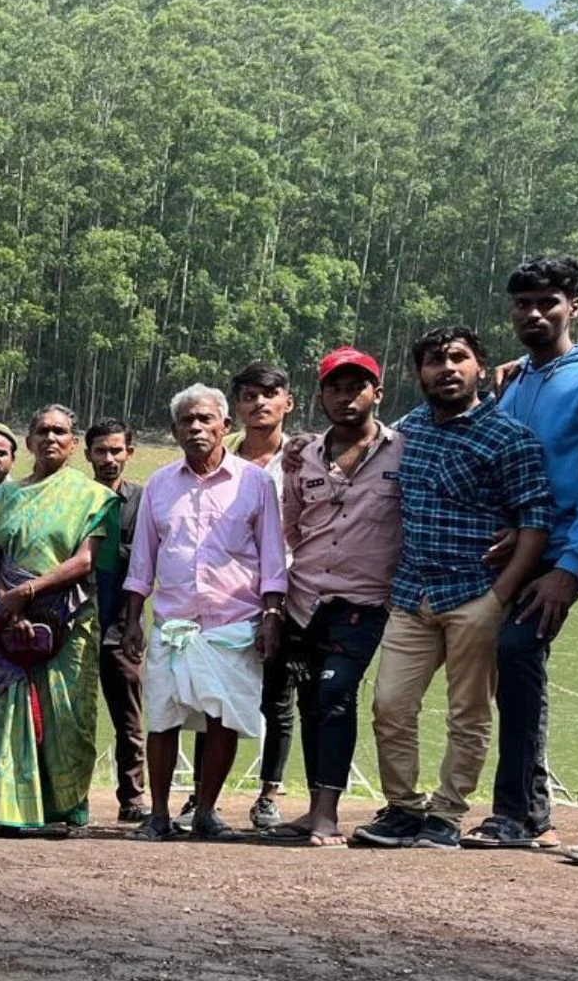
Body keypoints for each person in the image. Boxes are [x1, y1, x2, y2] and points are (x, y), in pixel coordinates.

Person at [353, 327, 553, 849]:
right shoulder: (406, 430)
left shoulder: (509, 438)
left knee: (468, 713)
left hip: (476, 594)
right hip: (412, 593)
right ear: (419, 373)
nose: (446, 369)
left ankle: (446, 814)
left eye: (458, 358)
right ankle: (403, 808)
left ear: (480, 367)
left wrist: (498, 597)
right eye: (434, 361)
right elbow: (359, 464)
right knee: (390, 705)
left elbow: (535, 523)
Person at [473, 257, 578, 850]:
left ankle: (514, 813)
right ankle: (531, 811)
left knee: (517, 650)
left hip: (564, 548)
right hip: (512, 547)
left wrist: (572, 569)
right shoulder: (516, 381)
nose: (534, 313)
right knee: (507, 665)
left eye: (548, 302)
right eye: (523, 303)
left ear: (574, 307)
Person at [122, 384, 287, 843]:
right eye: (186, 421)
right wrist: (133, 619)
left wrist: (272, 616)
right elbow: (143, 560)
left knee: (224, 718)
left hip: (233, 623)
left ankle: (206, 812)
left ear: (225, 426)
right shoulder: (159, 485)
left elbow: (272, 557)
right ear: (174, 431)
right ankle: (158, 814)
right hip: (173, 623)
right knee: (163, 717)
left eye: (205, 419)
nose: (196, 427)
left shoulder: (255, 483)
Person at [257, 348, 404, 847]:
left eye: (356, 387)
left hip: (364, 601)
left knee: (336, 694)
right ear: (320, 397)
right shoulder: (301, 457)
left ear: (377, 392)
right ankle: (313, 807)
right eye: (335, 388)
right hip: (305, 598)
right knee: (310, 701)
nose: (346, 397)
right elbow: (291, 528)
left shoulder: (404, 452)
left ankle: (327, 814)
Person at [0, 406, 118, 832]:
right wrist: (7, 603)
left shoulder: (93, 496)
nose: (50, 438)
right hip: (10, 621)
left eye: (60, 432)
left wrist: (28, 592)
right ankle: (7, 810)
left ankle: (64, 809)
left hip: (69, 620)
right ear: (28, 441)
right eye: (42, 431)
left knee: (67, 714)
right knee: (6, 710)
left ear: (74, 443)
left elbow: (85, 561)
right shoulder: (7, 496)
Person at [226, 362, 295, 828]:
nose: (259, 404)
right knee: (217, 695)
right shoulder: (221, 456)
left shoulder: (306, 458)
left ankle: (269, 792)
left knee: (278, 696)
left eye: (269, 394)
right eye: (249, 396)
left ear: (288, 402)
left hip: (289, 588)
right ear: (237, 406)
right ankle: (204, 794)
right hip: (228, 593)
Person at [85, 418, 148, 822]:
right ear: (87, 454)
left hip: (122, 624)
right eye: (100, 451)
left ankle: (133, 796)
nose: (109, 459)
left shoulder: (143, 501)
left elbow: (146, 561)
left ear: (130, 453)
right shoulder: (78, 498)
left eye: (116, 450)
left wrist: (134, 623)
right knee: (73, 716)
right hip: (77, 623)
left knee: (129, 716)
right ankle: (69, 795)